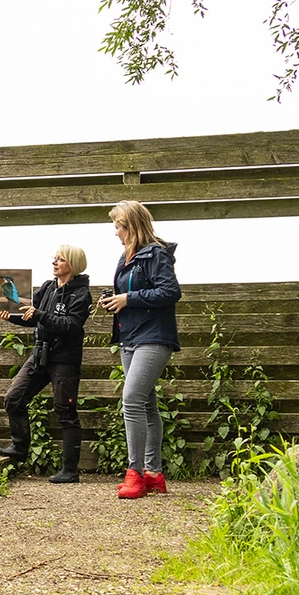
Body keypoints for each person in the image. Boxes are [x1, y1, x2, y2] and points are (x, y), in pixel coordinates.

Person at [97, 200, 181, 500]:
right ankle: (153, 474)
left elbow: (171, 292)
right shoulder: (126, 257)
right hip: (129, 337)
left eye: (118, 226)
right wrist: (113, 299)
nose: (116, 232)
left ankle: (134, 473)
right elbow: (131, 294)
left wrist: (128, 298)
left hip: (154, 337)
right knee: (146, 405)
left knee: (131, 400)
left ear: (132, 226)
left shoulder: (156, 253)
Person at [0, 245, 94, 483]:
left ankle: (70, 471)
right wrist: (12, 317)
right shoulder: (47, 288)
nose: (54, 262)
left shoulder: (81, 294)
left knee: (65, 411)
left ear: (73, 264)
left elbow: (71, 325)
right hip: (40, 355)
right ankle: (19, 448)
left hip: (65, 360)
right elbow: (32, 317)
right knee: (14, 398)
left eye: (60, 259)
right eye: (54, 259)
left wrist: (38, 315)